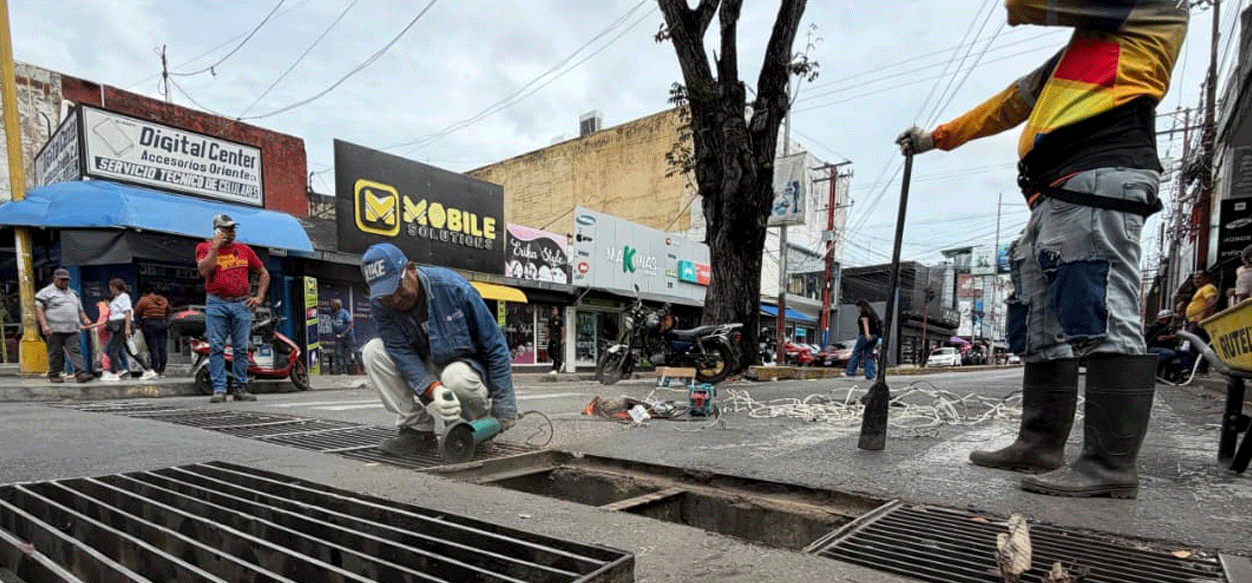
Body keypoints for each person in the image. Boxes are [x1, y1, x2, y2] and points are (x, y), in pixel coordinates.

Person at [897, 0, 1187, 498]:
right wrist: (936, 138)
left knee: (1098, 309)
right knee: (1040, 322)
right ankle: (1039, 443)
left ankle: (1110, 465)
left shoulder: (1150, 7)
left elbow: (1027, 4)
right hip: (1054, 193)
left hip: (1097, 174)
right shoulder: (1078, 52)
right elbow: (1012, 100)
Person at [359, 242, 517, 456]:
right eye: (386, 296)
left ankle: (475, 428)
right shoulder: (380, 305)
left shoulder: (453, 287)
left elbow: (495, 345)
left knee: (456, 377)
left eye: (398, 288)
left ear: (411, 270)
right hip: (424, 365)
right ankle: (417, 430)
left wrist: (504, 409)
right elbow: (399, 351)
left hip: (464, 366)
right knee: (373, 352)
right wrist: (433, 388)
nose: (395, 299)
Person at [196, 214, 269, 403]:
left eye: (232, 229)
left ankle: (240, 387)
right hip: (216, 302)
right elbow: (204, 271)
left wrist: (259, 297)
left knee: (241, 348)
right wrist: (215, 247)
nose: (231, 232)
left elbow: (263, 273)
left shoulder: (244, 249)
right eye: (226, 229)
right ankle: (219, 389)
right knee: (216, 347)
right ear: (216, 231)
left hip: (241, 303)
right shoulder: (204, 248)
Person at [34, 268, 94, 383]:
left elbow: (79, 309)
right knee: (56, 353)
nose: (64, 282)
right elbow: (39, 308)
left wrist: (85, 319)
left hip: (72, 329)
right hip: (54, 329)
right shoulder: (45, 292)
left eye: (66, 280)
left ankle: (81, 373)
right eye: (61, 280)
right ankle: (54, 374)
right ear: (54, 279)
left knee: (75, 351)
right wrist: (44, 325)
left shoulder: (73, 293)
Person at [101, 278, 157, 382]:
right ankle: (148, 370)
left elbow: (127, 312)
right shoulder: (116, 298)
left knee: (113, 349)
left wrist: (127, 328)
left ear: (116, 287)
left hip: (121, 325)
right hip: (119, 325)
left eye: (112, 287)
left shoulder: (124, 297)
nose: (110, 289)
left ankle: (113, 373)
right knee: (131, 350)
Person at [134, 285, 171, 377]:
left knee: (153, 347)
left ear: (144, 292)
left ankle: (154, 369)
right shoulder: (164, 300)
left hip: (149, 323)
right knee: (162, 348)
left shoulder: (144, 300)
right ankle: (161, 370)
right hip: (162, 323)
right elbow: (169, 310)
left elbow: (136, 312)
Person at [1144, 309, 1189, 380]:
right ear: (1165, 319)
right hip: (1151, 349)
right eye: (1169, 319)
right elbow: (1160, 338)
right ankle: (1149, 367)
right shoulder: (1156, 326)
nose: (1170, 321)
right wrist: (1174, 336)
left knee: (1184, 353)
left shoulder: (1164, 327)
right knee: (1169, 353)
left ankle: (1182, 372)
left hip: (1160, 348)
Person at [844, 300, 881, 380]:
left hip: (865, 335)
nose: (858, 309)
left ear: (861, 306)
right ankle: (871, 375)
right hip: (875, 336)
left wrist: (867, 334)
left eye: (858, 307)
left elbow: (865, 324)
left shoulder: (864, 314)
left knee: (856, 353)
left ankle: (850, 372)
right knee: (868, 355)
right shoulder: (873, 315)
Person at [329, 298, 357, 375]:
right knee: (339, 353)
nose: (330, 306)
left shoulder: (344, 313)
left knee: (355, 351)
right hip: (339, 337)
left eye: (332, 304)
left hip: (348, 336)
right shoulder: (330, 311)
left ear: (337, 306)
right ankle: (342, 371)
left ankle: (363, 368)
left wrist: (344, 333)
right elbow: (320, 309)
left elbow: (351, 324)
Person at [547, 306, 564, 374]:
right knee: (550, 351)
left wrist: (563, 338)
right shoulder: (550, 320)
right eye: (553, 311)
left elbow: (563, 329)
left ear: (557, 312)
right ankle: (560, 363)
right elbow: (548, 329)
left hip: (557, 338)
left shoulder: (559, 320)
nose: (554, 312)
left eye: (555, 311)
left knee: (555, 352)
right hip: (552, 338)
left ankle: (555, 368)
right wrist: (547, 337)